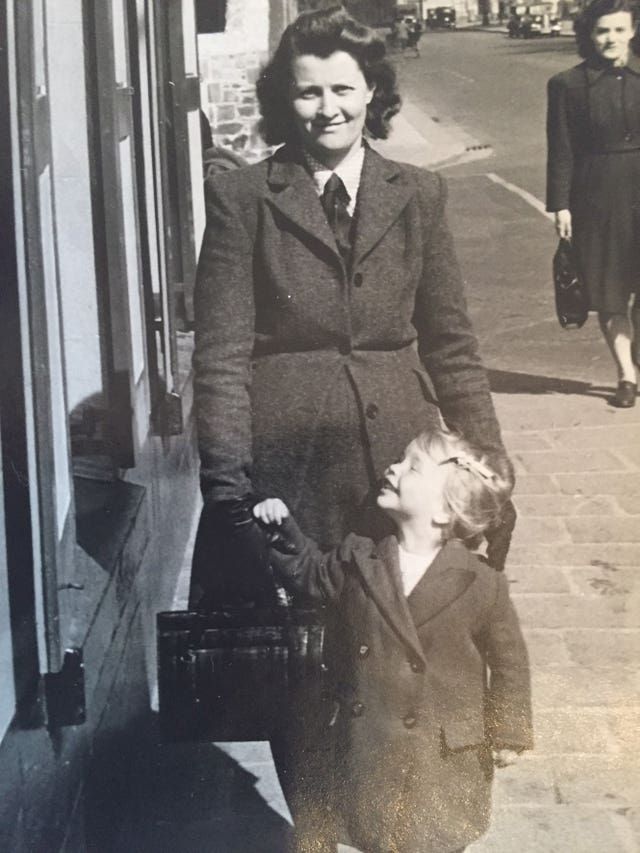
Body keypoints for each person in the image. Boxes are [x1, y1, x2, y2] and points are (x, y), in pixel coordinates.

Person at [190, 5, 514, 848]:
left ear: (373, 92)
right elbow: (221, 353)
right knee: (307, 674)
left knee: (400, 665)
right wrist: (230, 477)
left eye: (343, 88)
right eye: (306, 92)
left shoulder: (420, 195)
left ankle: (393, 830)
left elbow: (451, 342)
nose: (326, 107)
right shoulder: (242, 199)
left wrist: (489, 461)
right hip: (289, 473)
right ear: (281, 101)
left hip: (397, 475)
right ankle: (318, 829)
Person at [253, 428, 533, 853]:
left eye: (411, 466)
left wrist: (509, 729)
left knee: (432, 837)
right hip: (372, 739)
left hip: (441, 752)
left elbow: (509, 662)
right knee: (377, 831)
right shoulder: (360, 556)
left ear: (443, 511)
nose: (393, 467)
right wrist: (284, 531)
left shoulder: (481, 581)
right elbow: (312, 574)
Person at [546, 0, 640, 408]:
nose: (611, 39)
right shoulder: (568, 84)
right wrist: (560, 204)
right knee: (610, 290)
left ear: (633, 31)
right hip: (597, 199)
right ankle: (626, 375)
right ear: (590, 35)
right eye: (603, 31)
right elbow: (561, 149)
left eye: (619, 30)